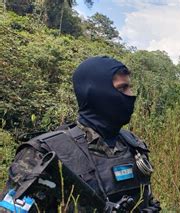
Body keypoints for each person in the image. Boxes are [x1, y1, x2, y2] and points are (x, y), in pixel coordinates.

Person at [0, 56, 160, 212]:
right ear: (96, 93)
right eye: (122, 88)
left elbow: (145, 197)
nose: (131, 95)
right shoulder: (42, 154)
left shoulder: (132, 144)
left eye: (129, 87)